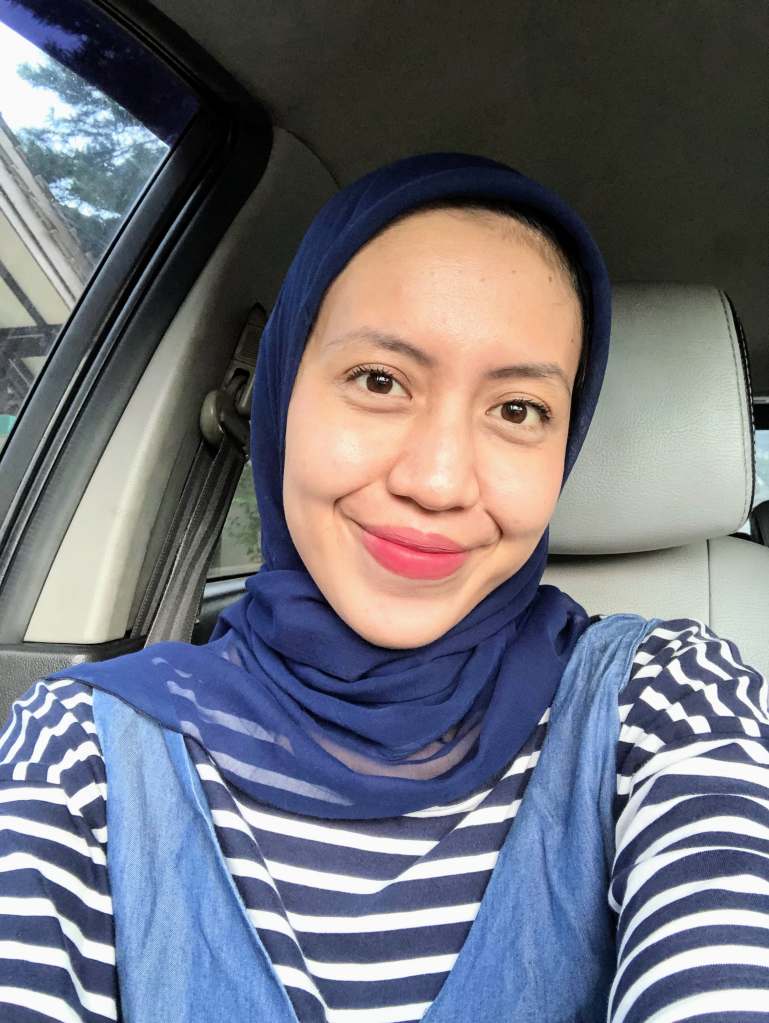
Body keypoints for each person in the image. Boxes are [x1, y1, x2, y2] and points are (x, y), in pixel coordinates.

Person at [0, 153, 767, 1023]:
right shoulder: (82, 752)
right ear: (282, 396)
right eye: (379, 380)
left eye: (517, 409)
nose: (437, 482)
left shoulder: (669, 701)